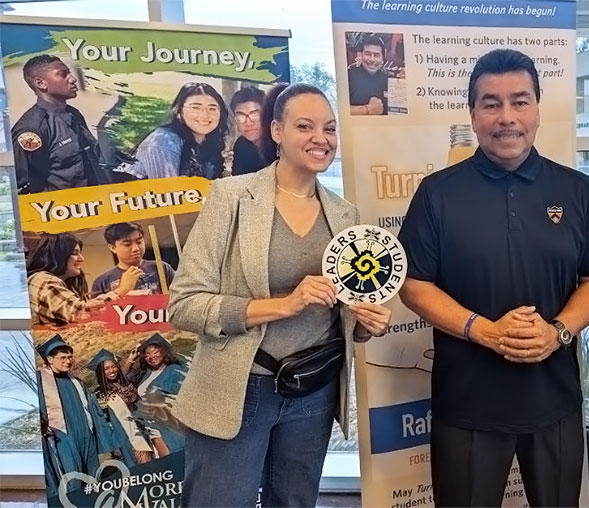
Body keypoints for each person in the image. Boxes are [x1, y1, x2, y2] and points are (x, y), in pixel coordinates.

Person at [398, 49, 589, 507]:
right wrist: (485, 331)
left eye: (520, 101)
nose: (506, 117)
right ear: (474, 114)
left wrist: (557, 332)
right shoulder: (437, 193)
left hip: (554, 400)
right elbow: (413, 284)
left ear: (538, 109)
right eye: (491, 103)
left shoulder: (577, 190)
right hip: (467, 405)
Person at [167, 83, 392, 507]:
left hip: (313, 389)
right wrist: (282, 305)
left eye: (329, 128)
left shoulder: (345, 215)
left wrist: (363, 323)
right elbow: (185, 303)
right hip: (239, 388)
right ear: (275, 131)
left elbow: (340, 309)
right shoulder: (231, 197)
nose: (320, 138)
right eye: (304, 126)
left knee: (294, 502)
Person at [12, 54, 109, 194]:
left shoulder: (73, 114)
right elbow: (19, 184)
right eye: (63, 74)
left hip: (95, 205)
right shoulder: (32, 128)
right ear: (41, 83)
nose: (73, 79)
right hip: (63, 210)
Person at [36, 335, 116, 499]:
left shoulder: (77, 381)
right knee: (72, 478)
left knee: (92, 476)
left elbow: (92, 408)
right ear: (50, 359)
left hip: (86, 436)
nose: (68, 361)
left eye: (70, 357)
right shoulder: (39, 380)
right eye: (63, 358)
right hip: (62, 438)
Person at [26, 233, 140, 326]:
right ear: (56, 255)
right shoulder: (43, 281)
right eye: (75, 253)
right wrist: (122, 289)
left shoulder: (45, 281)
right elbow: (82, 313)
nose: (81, 259)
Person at [125, 82, 228, 180]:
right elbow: (167, 194)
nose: (205, 115)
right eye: (195, 107)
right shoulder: (163, 141)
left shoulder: (208, 141)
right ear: (179, 110)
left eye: (212, 108)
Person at [121, 334, 186, 457]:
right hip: (150, 427)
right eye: (147, 355)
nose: (151, 357)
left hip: (168, 425)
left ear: (163, 352)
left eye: (155, 352)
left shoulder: (174, 370)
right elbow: (122, 380)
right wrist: (131, 359)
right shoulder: (146, 373)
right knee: (166, 466)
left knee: (173, 461)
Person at [89, 349, 154, 466]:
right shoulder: (99, 396)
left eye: (113, 366)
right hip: (124, 440)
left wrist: (131, 359)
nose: (111, 371)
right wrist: (114, 447)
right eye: (106, 369)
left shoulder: (128, 384)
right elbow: (102, 425)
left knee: (154, 469)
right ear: (101, 373)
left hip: (145, 432)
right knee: (137, 473)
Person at [91, 222, 175, 296]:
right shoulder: (102, 282)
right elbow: (97, 312)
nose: (136, 248)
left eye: (139, 242)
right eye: (127, 244)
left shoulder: (161, 268)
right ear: (113, 248)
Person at [230, 87, 267, 175]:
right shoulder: (241, 144)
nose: (248, 123)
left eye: (255, 115)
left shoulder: (281, 145)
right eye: (241, 116)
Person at [348, 35, 388, 115]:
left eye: (376, 55)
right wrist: (367, 110)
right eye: (368, 54)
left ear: (382, 58)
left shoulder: (389, 80)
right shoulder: (348, 76)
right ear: (361, 55)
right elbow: (338, 110)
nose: (372, 59)